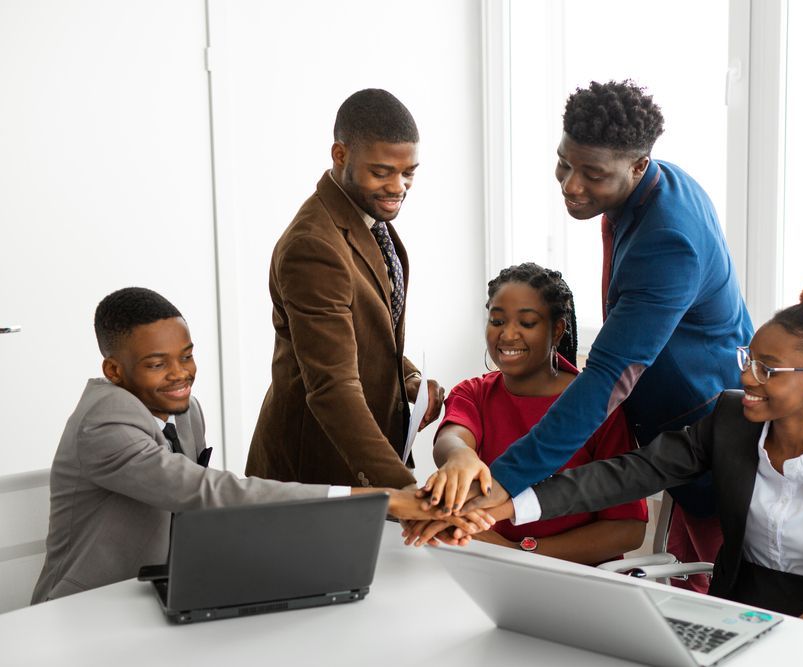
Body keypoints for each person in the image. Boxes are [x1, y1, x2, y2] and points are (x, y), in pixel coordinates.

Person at [450, 278, 803, 625]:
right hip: (735, 613)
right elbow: (631, 473)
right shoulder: (730, 420)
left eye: (767, 370)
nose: (746, 377)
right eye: (747, 359)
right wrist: (512, 501)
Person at [430, 80, 753, 592]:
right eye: (564, 163)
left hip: (715, 434)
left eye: (593, 174)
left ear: (639, 165)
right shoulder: (651, 184)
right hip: (681, 429)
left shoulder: (668, 240)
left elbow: (607, 376)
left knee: (730, 602)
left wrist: (507, 483)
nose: (570, 185)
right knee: (690, 595)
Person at [32, 288, 487, 603]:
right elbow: (208, 492)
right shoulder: (104, 423)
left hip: (160, 595)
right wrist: (385, 499)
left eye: (186, 355)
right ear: (115, 372)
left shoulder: (185, 410)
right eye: (157, 364)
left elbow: (199, 515)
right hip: (86, 608)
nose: (180, 373)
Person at [246, 88, 445, 490]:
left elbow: (361, 334)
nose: (399, 187)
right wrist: (404, 488)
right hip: (315, 470)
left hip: (354, 463)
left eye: (409, 172)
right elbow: (332, 388)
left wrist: (407, 376)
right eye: (382, 171)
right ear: (340, 156)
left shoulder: (367, 217)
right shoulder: (313, 246)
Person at [419, 263, 647, 564]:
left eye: (526, 323)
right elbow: (453, 438)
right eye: (497, 320)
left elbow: (627, 529)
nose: (507, 334)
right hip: (487, 569)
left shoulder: (597, 406)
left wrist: (519, 553)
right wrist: (461, 456)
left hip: (577, 580)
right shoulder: (473, 392)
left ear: (557, 329)